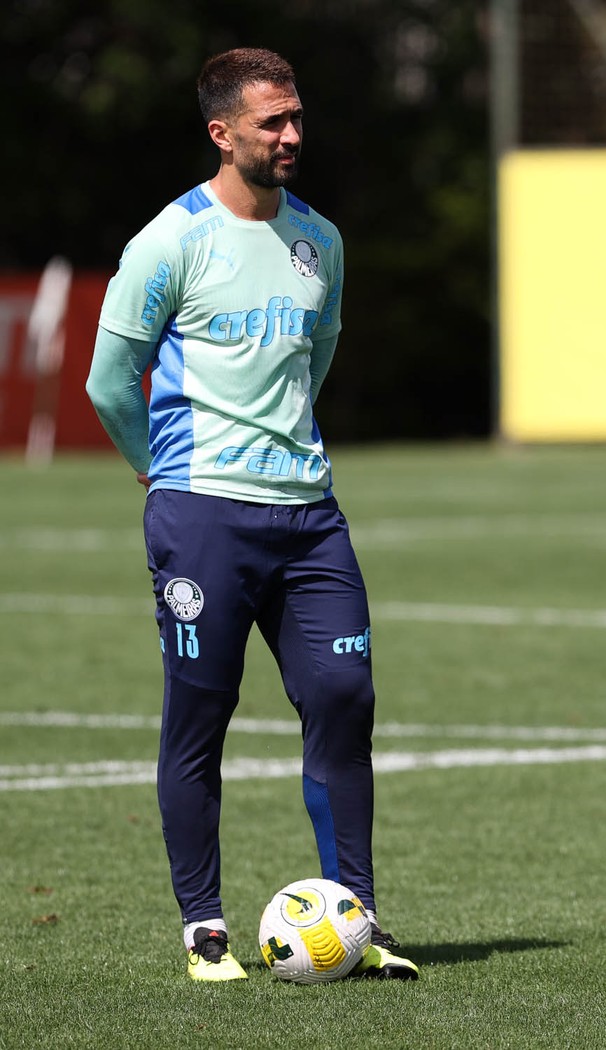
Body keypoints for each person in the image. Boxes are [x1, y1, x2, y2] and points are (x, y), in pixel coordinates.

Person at [86, 47, 419, 983]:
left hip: (309, 516)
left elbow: (315, 359)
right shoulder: (169, 242)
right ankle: (205, 927)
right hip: (202, 517)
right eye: (272, 121)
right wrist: (159, 470)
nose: (291, 135)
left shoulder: (322, 240)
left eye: (297, 117)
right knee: (200, 716)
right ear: (221, 132)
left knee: (345, 699)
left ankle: (356, 918)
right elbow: (109, 380)